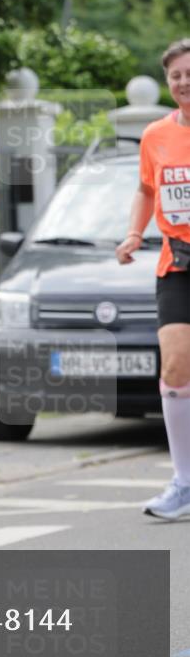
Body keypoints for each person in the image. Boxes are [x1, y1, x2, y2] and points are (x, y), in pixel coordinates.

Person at [116, 37, 190, 520]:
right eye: (176, 76)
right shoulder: (155, 135)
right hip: (177, 264)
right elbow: (146, 189)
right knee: (176, 368)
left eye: (189, 73)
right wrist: (132, 233)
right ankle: (184, 482)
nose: (183, 82)